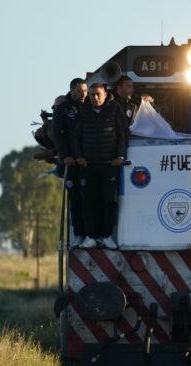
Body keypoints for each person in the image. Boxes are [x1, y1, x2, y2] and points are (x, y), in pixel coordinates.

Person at [73, 82, 130, 249]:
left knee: (108, 201)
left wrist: (120, 155)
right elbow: (75, 136)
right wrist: (79, 156)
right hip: (88, 165)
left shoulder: (115, 108)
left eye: (98, 94)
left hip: (109, 165)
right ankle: (90, 236)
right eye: (91, 95)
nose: (95, 98)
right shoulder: (82, 111)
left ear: (105, 94)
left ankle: (106, 236)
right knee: (89, 202)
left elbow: (123, 133)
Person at [54, 78, 88, 247]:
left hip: (88, 162)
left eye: (85, 91)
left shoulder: (90, 106)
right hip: (71, 163)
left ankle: (92, 234)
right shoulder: (62, 110)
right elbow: (58, 136)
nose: (83, 95)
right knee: (75, 200)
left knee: (90, 199)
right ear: (71, 90)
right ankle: (79, 234)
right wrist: (66, 155)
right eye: (79, 91)